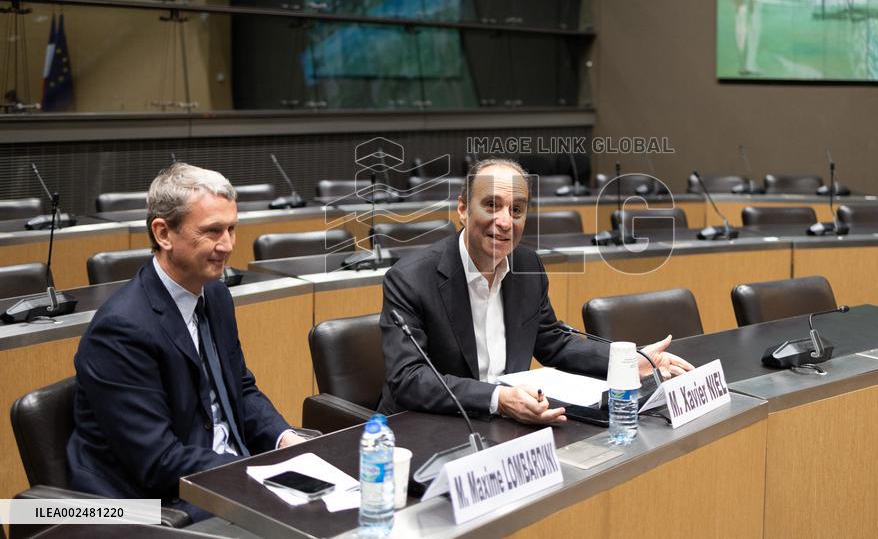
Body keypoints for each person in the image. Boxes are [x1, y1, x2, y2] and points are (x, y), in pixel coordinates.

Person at [67, 163, 306, 521]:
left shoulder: (216, 296)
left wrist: (284, 439)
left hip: (223, 470)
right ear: (163, 233)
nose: (226, 245)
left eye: (231, 229)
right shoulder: (121, 330)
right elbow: (157, 461)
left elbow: (240, 387)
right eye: (211, 231)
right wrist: (254, 472)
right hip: (159, 501)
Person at [378, 158, 693, 424]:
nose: (505, 221)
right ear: (463, 209)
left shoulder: (527, 265)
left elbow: (552, 342)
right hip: (428, 426)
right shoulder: (410, 278)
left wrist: (627, 362)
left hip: (509, 425)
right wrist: (498, 398)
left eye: (516, 210)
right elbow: (409, 378)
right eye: (491, 205)